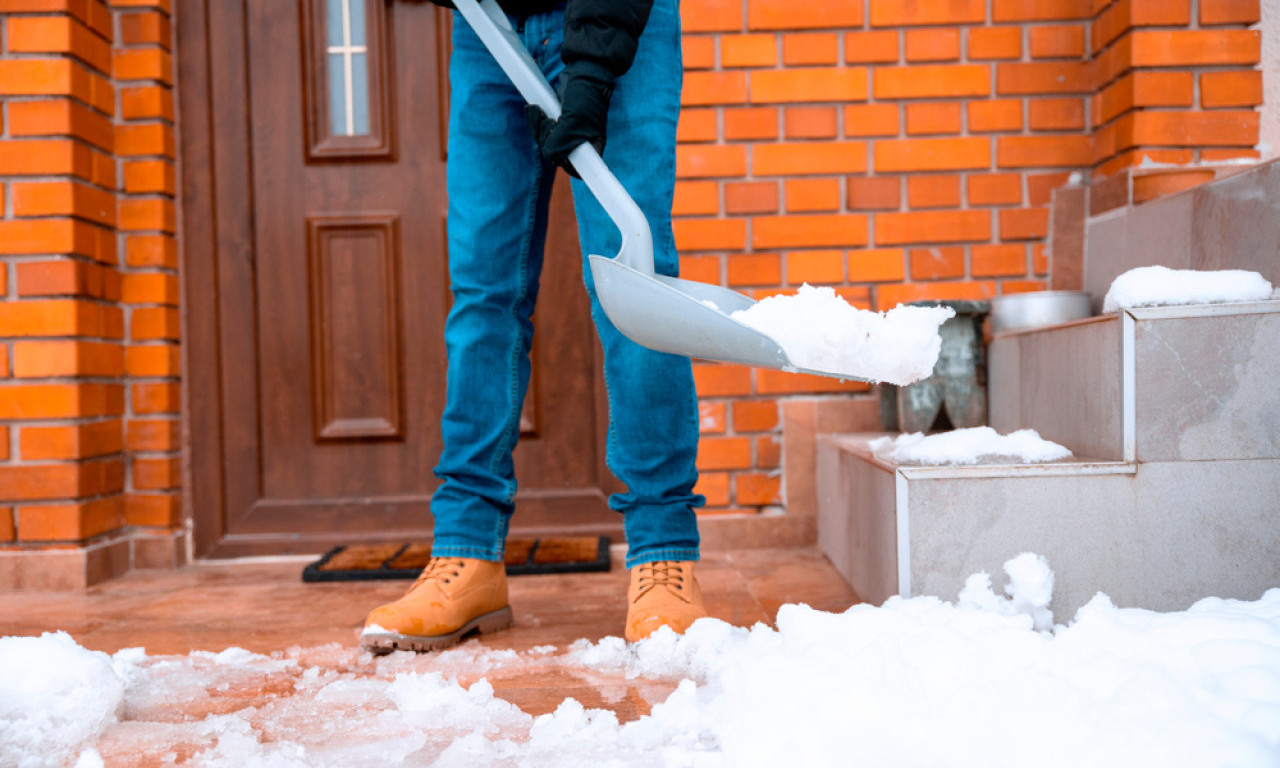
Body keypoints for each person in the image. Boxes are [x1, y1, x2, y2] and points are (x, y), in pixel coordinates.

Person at [361, 0, 707, 653]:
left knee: (634, 277)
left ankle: (664, 550)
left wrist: (595, 66)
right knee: (483, 293)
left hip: (615, 17)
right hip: (487, 23)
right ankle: (467, 554)